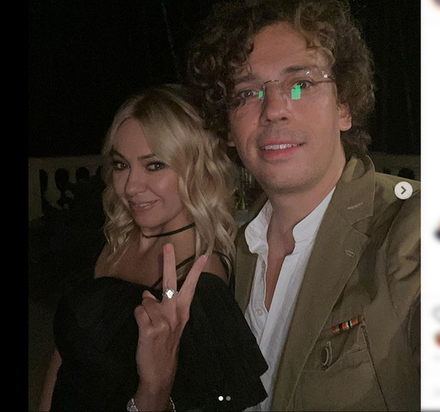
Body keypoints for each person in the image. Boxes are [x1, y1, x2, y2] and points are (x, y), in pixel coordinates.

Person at [188, 0, 420, 410]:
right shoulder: (234, 254)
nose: (274, 109)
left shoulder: (412, 229)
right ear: (229, 128)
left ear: (344, 107)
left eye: (301, 84)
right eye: (248, 92)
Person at [39, 84, 267, 411]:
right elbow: (65, 354)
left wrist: (155, 388)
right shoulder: (113, 238)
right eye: (121, 165)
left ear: (197, 167)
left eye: (154, 165)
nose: (131, 186)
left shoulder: (198, 288)